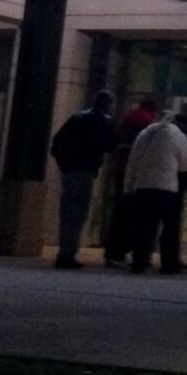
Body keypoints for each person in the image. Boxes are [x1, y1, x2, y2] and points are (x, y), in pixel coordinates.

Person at [48, 90, 116, 269]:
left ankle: (64, 251)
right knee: (77, 214)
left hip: (69, 171)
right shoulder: (103, 122)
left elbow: (56, 143)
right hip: (84, 171)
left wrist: (64, 164)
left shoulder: (77, 118)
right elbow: (109, 145)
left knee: (66, 213)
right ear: (107, 104)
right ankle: (68, 254)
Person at [124, 110, 187, 274]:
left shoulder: (144, 134)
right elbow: (185, 165)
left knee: (144, 225)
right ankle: (168, 264)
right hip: (168, 188)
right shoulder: (179, 136)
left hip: (144, 186)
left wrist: (128, 185)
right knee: (170, 228)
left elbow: (133, 160)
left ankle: (139, 262)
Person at [104, 96, 158, 267]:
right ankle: (125, 251)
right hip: (135, 175)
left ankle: (114, 251)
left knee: (121, 211)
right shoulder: (147, 125)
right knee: (134, 216)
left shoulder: (127, 119)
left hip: (121, 170)